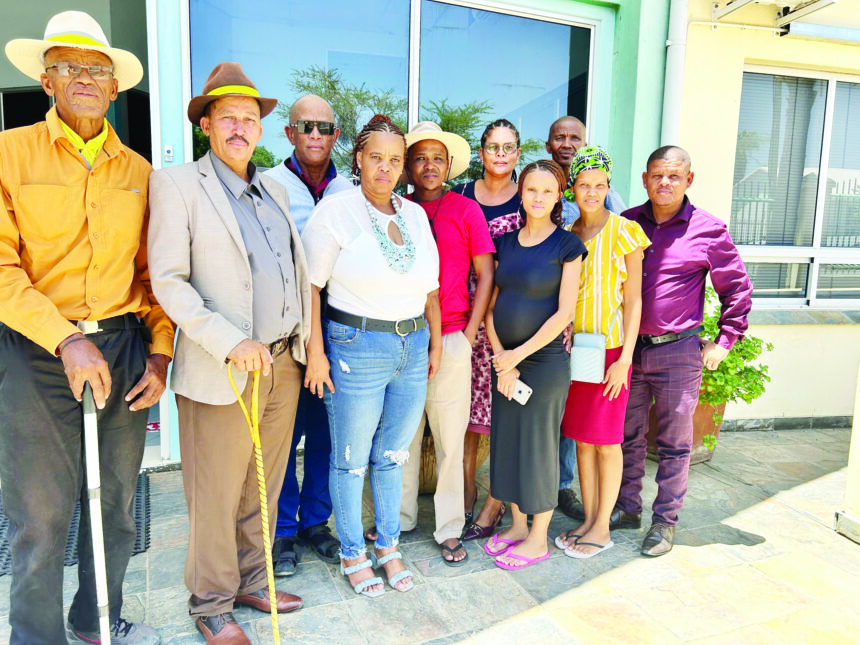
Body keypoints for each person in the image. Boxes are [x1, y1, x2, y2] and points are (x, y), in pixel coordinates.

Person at [0, 11, 174, 644]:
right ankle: (37, 636)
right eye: (68, 66)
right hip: (37, 350)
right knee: (40, 515)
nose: (84, 78)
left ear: (114, 87)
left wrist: (160, 353)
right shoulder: (9, 153)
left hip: (123, 348)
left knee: (116, 505)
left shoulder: (139, 171)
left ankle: (95, 619)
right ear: (46, 81)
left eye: (97, 69)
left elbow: (154, 275)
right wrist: (66, 338)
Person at [148, 62, 307, 643]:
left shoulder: (274, 189)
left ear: (260, 129)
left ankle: (251, 580)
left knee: (261, 483)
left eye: (249, 118)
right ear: (206, 125)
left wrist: (302, 346)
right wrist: (229, 340)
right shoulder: (177, 185)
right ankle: (211, 602)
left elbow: (293, 272)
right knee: (215, 491)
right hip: (223, 365)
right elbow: (169, 281)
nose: (240, 127)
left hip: (282, 363)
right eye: (228, 117)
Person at [302, 114, 440, 596]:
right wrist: (314, 351)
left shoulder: (415, 215)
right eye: (376, 157)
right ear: (359, 159)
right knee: (351, 459)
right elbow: (309, 286)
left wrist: (433, 343)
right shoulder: (336, 211)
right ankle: (351, 552)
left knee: (393, 455)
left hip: (412, 344)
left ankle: (388, 545)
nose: (385, 167)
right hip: (355, 347)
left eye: (394, 160)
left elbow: (430, 288)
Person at [617, 145, 753, 556]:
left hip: (677, 351)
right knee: (627, 436)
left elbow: (737, 289)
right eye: (657, 175)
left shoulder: (708, 229)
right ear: (645, 179)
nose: (665, 182)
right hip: (628, 350)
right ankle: (626, 508)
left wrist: (725, 341)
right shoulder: (626, 223)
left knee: (675, 443)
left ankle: (664, 523)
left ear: (688, 179)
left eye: (674, 176)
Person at [397, 121, 495, 565]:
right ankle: (399, 519)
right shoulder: (396, 209)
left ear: (449, 164)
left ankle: (450, 527)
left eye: (437, 158)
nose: (429, 165)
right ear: (408, 166)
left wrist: (470, 334)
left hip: (454, 335)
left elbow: (486, 274)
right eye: (420, 157)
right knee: (402, 435)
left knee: (450, 438)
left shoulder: (465, 209)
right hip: (404, 337)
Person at [264, 94, 352, 576]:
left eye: (324, 127)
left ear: (336, 134)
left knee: (326, 434)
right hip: (286, 333)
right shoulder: (268, 186)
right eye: (305, 126)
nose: (315, 135)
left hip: (338, 331)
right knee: (283, 435)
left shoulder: (349, 191)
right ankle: (282, 530)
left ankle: (316, 522)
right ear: (289, 133)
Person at [484, 160, 585, 570]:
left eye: (547, 191)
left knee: (539, 447)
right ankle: (516, 525)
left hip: (543, 364)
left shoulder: (567, 246)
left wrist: (517, 356)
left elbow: (564, 314)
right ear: (520, 193)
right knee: (507, 442)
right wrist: (502, 361)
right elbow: (491, 308)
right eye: (531, 190)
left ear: (559, 195)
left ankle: (538, 538)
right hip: (505, 363)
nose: (538, 198)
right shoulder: (505, 244)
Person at [555, 147, 649, 559]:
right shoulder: (569, 234)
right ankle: (590, 520)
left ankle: (603, 529)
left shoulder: (625, 230)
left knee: (607, 441)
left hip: (611, 352)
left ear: (608, 187)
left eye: (599, 185)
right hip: (577, 353)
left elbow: (634, 301)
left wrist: (625, 359)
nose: (592, 192)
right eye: (583, 185)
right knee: (582, 440)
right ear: (572, 189)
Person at [452, 118, 522, 541]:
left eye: (508, 147)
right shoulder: (461, 195)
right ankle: (463, 495)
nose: (500, 154)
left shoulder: (529, 197)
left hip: (509, 323)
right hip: (463, 320)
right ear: (481, 153)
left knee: (504, 417)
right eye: (493, 147)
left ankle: (495, 502)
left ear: (518, 153)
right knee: (464, 417)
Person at [545, 116, 627, 227]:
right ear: (548, 147)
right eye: (559, 138)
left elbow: (624, 228)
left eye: (575, 138)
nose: (566, 145)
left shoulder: (601, 191)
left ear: (584, 147)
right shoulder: (538, 187)